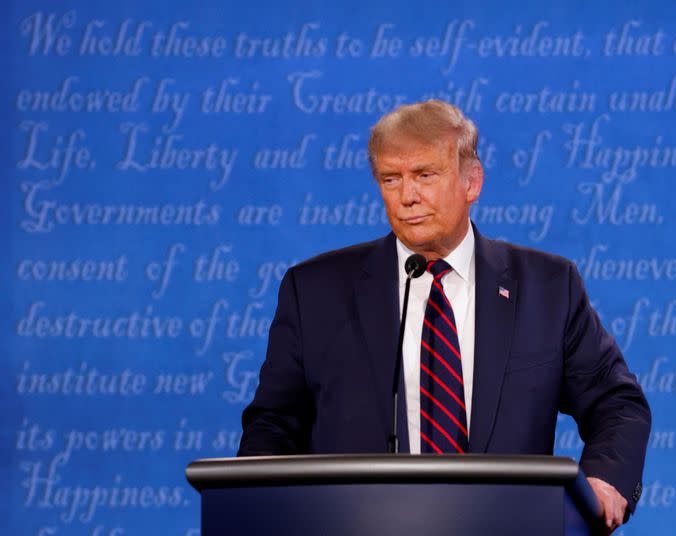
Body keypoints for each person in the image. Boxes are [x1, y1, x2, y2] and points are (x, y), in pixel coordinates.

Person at [238, 100, 651, 532]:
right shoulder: (315, 292)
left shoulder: (547, 288)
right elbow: (273, 424)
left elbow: (616, 402)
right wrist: (259, 510)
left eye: (425, 176)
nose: (407, 196)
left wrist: (605, 480)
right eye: (390, 179)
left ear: (472, 181)